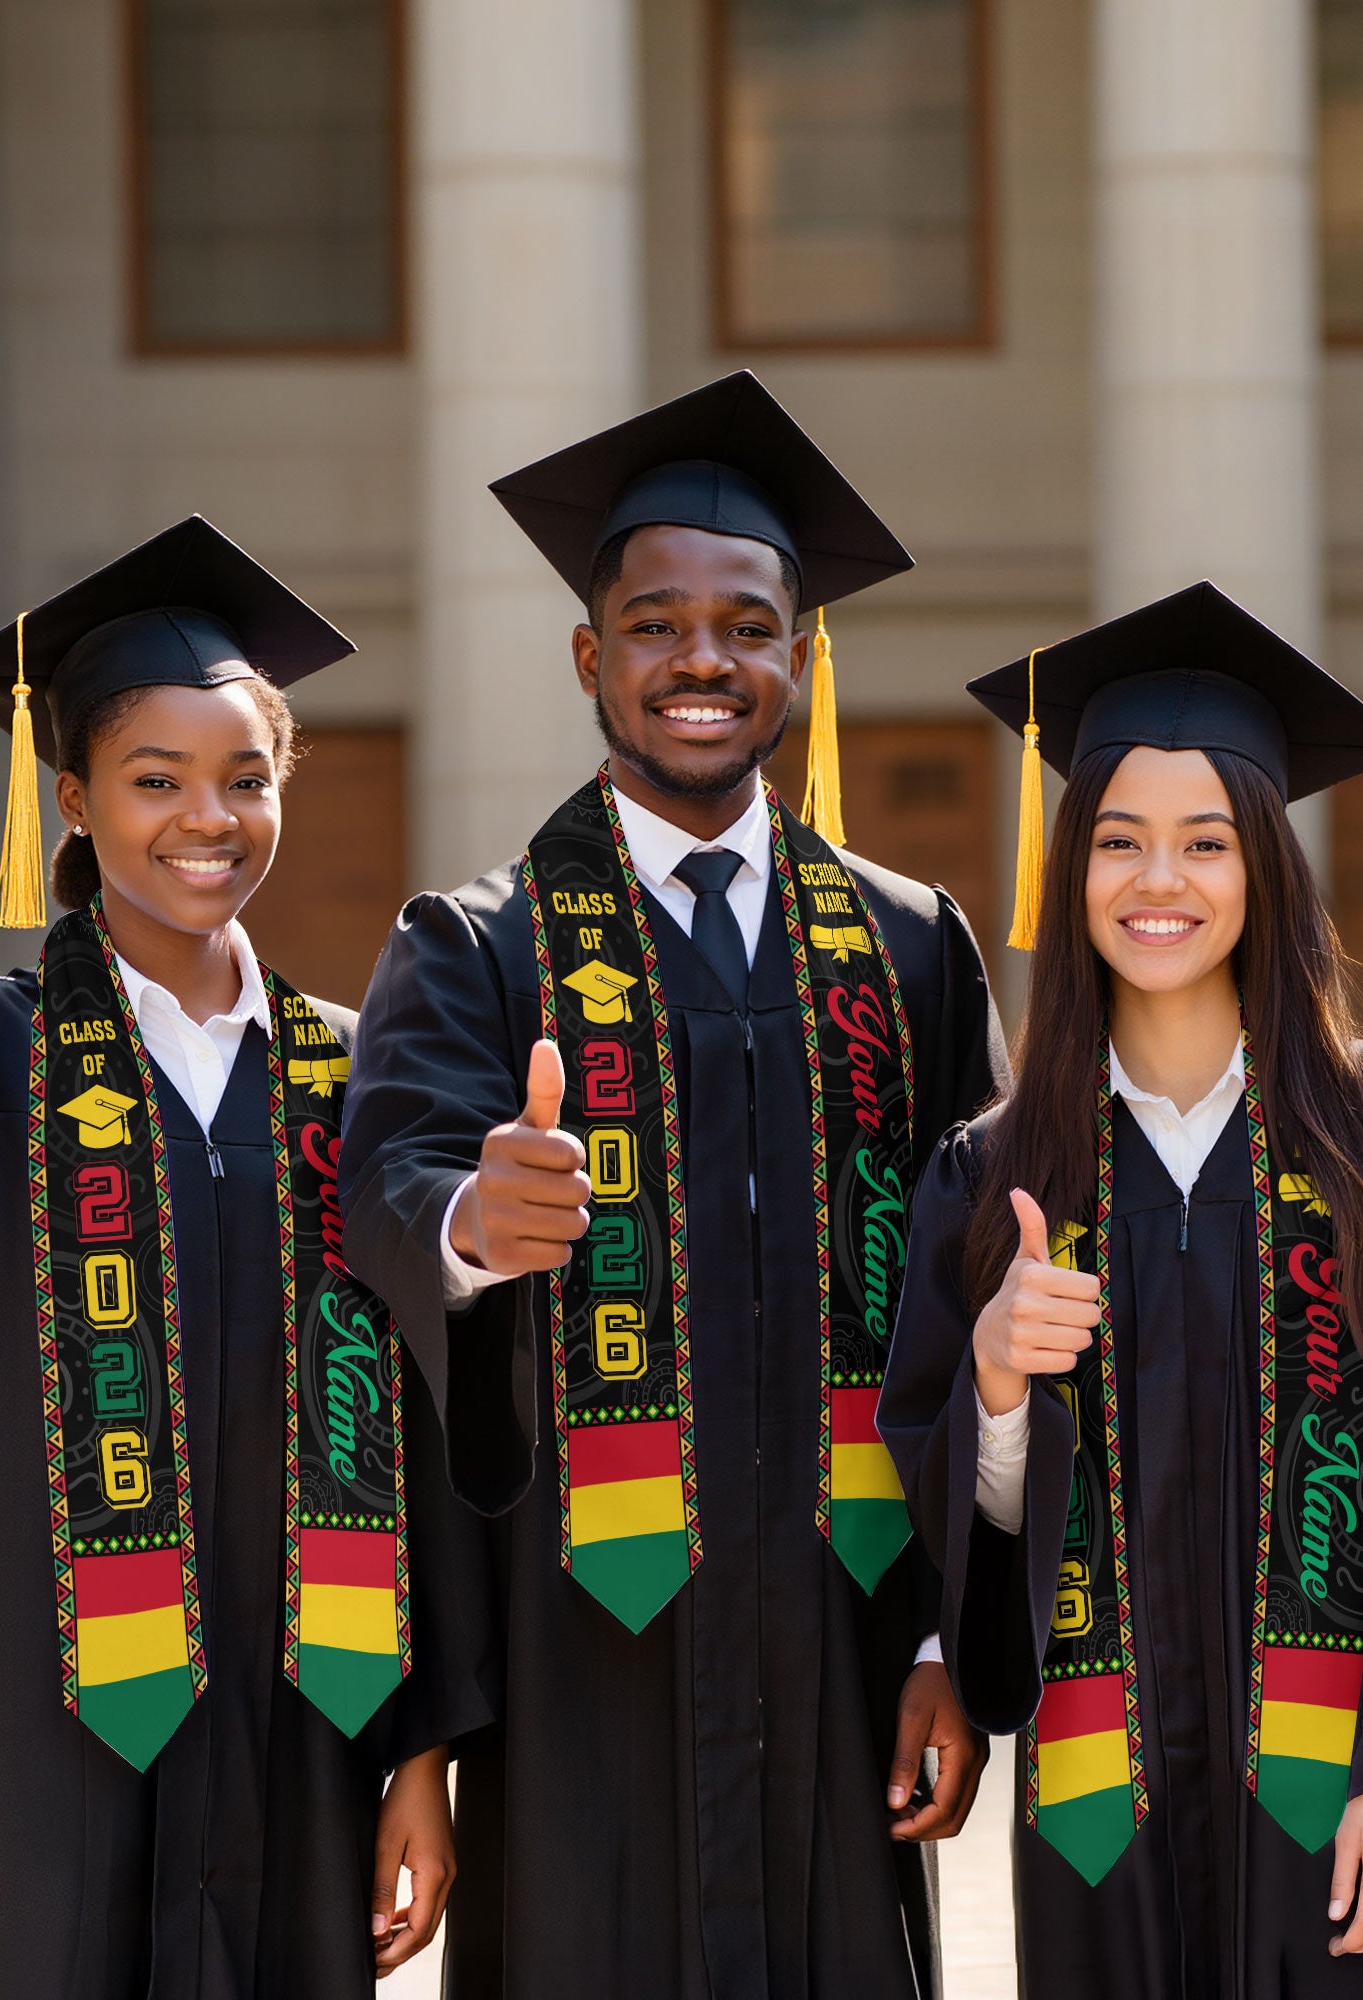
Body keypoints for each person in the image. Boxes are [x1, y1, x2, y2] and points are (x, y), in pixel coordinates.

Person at [337, 371, 1007, 1997]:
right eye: (653, 624)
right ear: (591, 656)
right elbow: (382, 1196)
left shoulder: (908, 947)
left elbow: (982, 1300)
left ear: (801, 655)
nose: (701, 660)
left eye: (747, 624)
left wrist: (946, 1644)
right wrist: (472, 1226)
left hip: (847, 1651)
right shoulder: (479, 946)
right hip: (584, 1658)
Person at [880, 582, 1363, 1997]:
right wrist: (1001, 1388)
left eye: (1205, 843)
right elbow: (964, 1528)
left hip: (1345, 1801)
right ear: (1069, 871)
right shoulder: (997, 1169)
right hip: (1101, 1810)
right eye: (1120, 842)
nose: (1161, 883)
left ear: (1264, 867)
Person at [0, 516, 495, 1999]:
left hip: (301, 1724)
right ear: (70, 798)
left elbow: (433, 1435)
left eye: (247, 780)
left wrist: (424, 1758)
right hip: (26, 1737)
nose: (208, 818)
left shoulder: (360, 1083)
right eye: (155, 781)